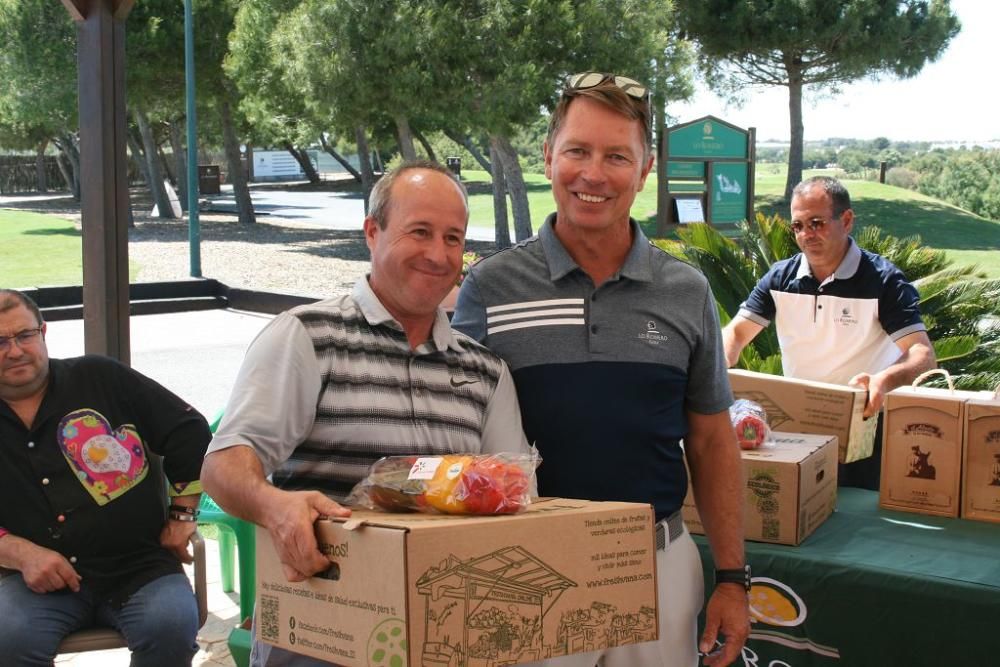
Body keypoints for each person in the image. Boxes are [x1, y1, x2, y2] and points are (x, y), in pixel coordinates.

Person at [452, 72, 750, 667]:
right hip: (529, 576)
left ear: (645, 171)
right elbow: (455, 436)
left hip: (657, 571)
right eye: (578, 151)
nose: (593, 174)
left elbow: (713, 441)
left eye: (617, 156)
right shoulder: (490, 287)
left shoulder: (685, 290)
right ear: (548, 156)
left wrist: (733, 577)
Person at [200, 160, 531, 667]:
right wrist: (273, 506)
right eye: (419, 232)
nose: (438, 255)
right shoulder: (306, 336)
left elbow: (513, 494)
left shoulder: (486, 371)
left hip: (444, 633)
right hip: (318, 635)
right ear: (372, 233)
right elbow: (223, 464)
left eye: (453, 238)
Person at [0, 289, 210, 666]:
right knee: (8, 639)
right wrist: (18, 552)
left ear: (43, 332)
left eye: (24, 335)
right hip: (34, 581)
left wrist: (183, 516)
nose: (14, 350)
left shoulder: (99, 377)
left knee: (172, 628)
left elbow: (188, 430)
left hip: (140, 566)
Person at [722, 176, 936, 489]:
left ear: (846, 220)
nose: (806, 234)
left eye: (817, 223)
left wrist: (883, 380)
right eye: (798, 226)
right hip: (796, 432)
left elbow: (923, 353)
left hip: (865, 433)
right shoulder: (780, 278)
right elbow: (737, 333)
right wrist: (719, 365)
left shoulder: (883, 280)